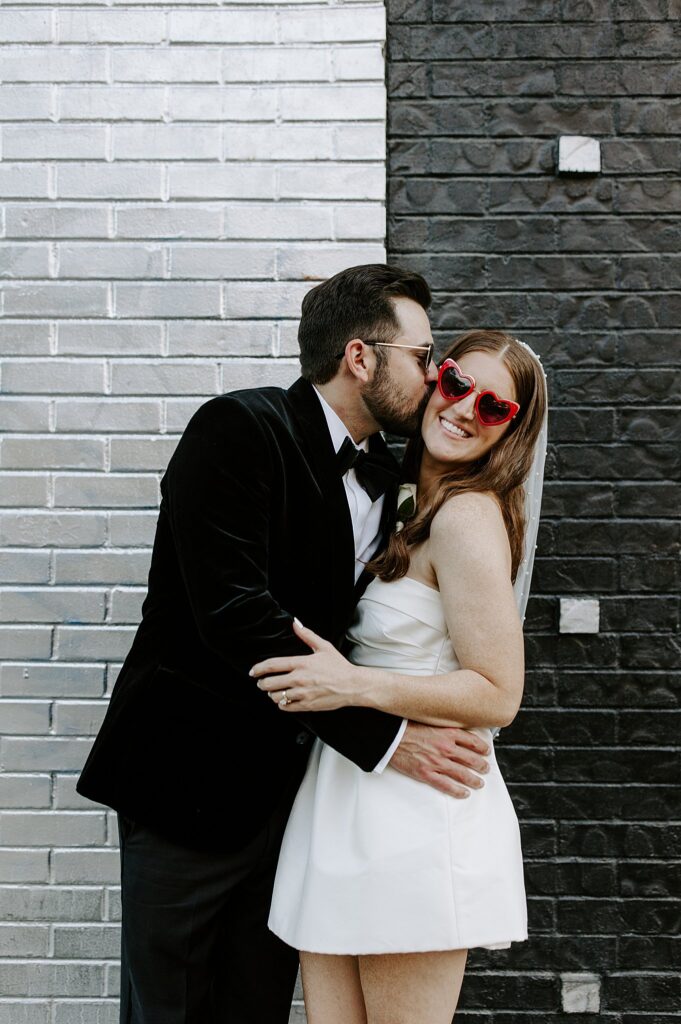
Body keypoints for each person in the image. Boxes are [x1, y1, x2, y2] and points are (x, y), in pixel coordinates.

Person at [76, 265, 492, 1024]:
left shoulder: (399, 473)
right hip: (187, 785)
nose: (434, 379)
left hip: (293, 801)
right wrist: (384, 736)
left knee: (255, 1008)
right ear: (360, 358)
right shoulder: (238, 427)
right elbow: (234, 614)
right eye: (422, 356)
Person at [251, 330, 548, 1024]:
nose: (466, 409)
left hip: (414, 813)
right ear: (433, 379)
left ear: (511, 432)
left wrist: (353, 685)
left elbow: (498, 692)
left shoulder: (468, 518)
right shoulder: (412, 506)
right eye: (456, 383)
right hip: (344, 798)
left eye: (495, 408)